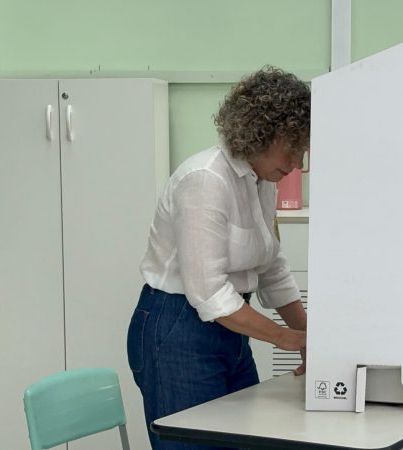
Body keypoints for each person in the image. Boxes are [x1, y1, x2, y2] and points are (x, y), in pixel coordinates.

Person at [127, 66, 309, 449]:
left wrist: (311, 339)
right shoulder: (205, 180)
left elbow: (271, 267)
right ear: (261, 132)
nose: (297, 161)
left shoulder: (262, 180)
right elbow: (209, 294)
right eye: (291, 145)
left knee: (248, 439)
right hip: (177, 329)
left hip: (229, 328)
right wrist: (284, 338)